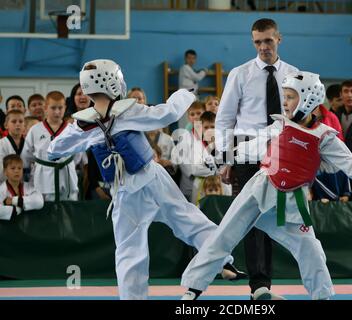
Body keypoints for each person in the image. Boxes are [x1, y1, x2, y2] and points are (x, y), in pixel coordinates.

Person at [180, 71, 352, 301]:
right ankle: (193, 288)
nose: (285, 101)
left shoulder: (324, 136)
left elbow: (347, 160)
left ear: (309, 99)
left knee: (310, 248)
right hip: (258, 190)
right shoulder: (279, 125)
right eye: (285, 96)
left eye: (291, 96)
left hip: (293, 202)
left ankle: (322, 296)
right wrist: (224, 157)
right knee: (223, 235)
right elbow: (253, 146)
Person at [47, 59, 245, 300]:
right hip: (151, 179)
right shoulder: (127, 111)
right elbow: (167, 114)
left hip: (122, 191)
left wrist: (80, 132)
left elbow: (53, 150)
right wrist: (184, 93)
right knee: (189, 220)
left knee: (130, 252)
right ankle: (222, 260)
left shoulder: (82, 124)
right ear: (113, 82)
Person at [214, 18, 299, 299]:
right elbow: (225, 119)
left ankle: (278, 281)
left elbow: (300, 119)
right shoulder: (239, 74)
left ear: (279, 39)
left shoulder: (295, 75)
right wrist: (226, 158)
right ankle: (259, 286)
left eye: (268, 41)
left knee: (277, 217)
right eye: (258, 42)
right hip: (246, 151)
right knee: (251, 218)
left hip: (282, 151)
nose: (263, 47)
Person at [22, 91, 79, 201]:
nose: (57, 112)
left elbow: (77, 156)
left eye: (60, 108)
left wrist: (64, 163)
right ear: (46, 107)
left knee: (69, 210)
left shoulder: (72, 130)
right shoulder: (35, 130)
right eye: (53, 108)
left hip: (67, 175)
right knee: (44, 211)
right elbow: (26, 155)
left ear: (65, 107)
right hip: (43, 177)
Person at [0, 154, 44, 221]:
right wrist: (18, 209)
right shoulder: (2, 190)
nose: (17, 171)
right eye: (13, 168)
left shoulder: (28, 186)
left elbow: (39, 202)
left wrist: (14, 201)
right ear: (5, 172)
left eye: (19, 168)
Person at [0, 110, 26, 183]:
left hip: (27, 185)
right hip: (5, 185)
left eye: (21, 122)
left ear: (24, 125)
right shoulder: (1, 144)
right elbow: (1, 168)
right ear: (6, 125)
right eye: (14, 121)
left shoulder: (29, 144)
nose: (18, 124)